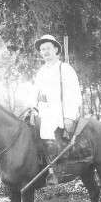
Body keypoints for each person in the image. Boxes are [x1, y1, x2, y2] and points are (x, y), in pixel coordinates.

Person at [31, 34, 82, 185]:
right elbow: (35, 94)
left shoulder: (65, 69)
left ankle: (54, 173)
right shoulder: (41, 72)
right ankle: (33, 170)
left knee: (51, 135)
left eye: (48, 48)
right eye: (42, 49)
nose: (45, 52)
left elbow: (75, 94)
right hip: (43, 113)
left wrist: (69, 116)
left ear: (55, 50)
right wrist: (33, 108)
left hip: (60, 114)